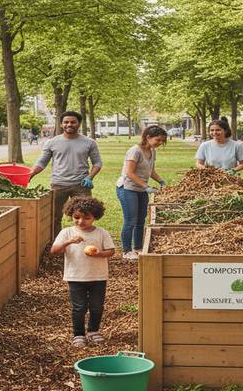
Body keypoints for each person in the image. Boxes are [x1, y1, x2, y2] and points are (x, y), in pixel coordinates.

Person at [50, 197, 115, 348]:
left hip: (98, 276)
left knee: (97, 306)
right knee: (79, 307)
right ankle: (78, 334)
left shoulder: (101, 233)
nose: (81, 221)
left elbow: (111, 251)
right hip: (75, 276)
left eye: (87, 218)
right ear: (71, 215)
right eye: (77, 217)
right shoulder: (67, 233)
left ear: (95, 217)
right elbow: (54, 251)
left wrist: (99, 254)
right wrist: (69, 242)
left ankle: (93, 331)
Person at [29, 111, 103, 236]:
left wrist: (90, 177)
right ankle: (57, 242)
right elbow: (41, 163)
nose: (69, 124)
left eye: (73, 122)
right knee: (55, 217)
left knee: (84, 216)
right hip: (58, 185)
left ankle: (82, 240)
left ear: (79, 124)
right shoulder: (52, 142)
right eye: (66, 122)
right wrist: (29, 175)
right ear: (62, 124)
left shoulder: (89, 142)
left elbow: (98, 163)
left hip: (81, 185)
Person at [116, 125, 168, 260]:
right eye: (158, 140)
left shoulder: (152, 151)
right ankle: (126, 251)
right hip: (127, 188)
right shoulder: (135, 151)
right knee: (130, 220)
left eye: (162, 141)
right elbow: (129, 173)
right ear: (147, 137)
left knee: (140, 220)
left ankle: (138, 248)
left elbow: (150, 171)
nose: (160, 143)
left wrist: (161, 181)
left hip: (140, 189)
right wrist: (146, 186)